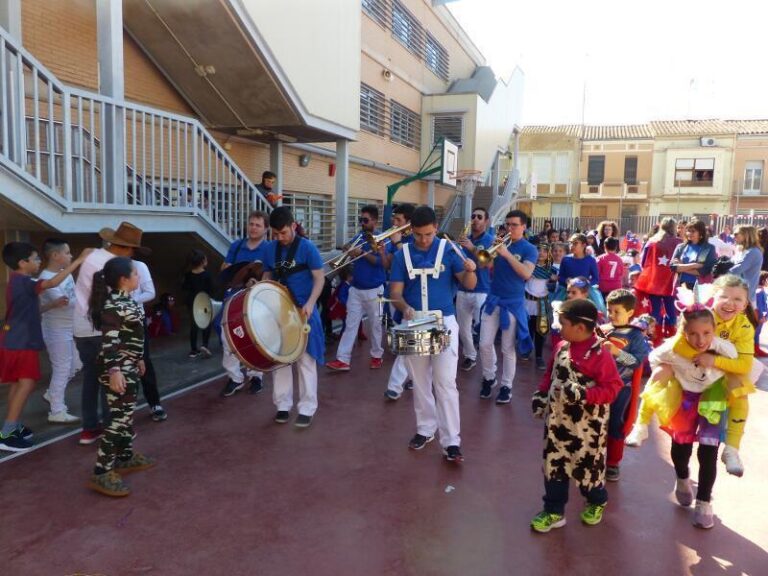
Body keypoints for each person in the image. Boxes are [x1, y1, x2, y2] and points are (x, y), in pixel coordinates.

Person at [625, 303, 739, 529]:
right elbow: (654, 358)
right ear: (683, 332)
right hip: (684, 398)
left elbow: (736, 361)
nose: (700, 340)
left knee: (708, 452)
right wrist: (666, 368)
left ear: (714, 329)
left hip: (711, 399)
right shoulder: (672, 348)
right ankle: (682, 478)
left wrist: (714, 360)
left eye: (706, 333)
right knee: (681, 448)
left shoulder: (722, 348)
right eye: (693, 334)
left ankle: (704, 502)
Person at [389, 206, 477, 462]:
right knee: (419, 382)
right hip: (415, 322)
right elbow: (395, 292)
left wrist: (471, 269)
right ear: (411, 231)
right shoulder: (401, 254)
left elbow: (469, 284)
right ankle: (425, 429)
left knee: (446, 383)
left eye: (428, 234)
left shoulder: (449, 250)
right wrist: (404, 308)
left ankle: (451, 442)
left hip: (444, 321)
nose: (424, 240)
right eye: (418, 235)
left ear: (435, 229)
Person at [529, 299, 623, 533]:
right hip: (557, 422)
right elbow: (550, 374)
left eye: (562, 323)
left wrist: (583, 394)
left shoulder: (601, 354)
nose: (558, 327)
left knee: (587, 468)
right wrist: (541, 395)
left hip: (587, 429)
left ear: (580, 328)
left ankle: (596, 500)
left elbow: (612, 388)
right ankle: (553, 511)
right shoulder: (561, 346)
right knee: (554, 466)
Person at [0, 243, 91, 451]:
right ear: (23, 263)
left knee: (18, 384)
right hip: (21, 342)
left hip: (14, 340)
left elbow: (31, 309)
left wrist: (52, 305)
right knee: (26, 384)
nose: (39, 261)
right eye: (35, 259)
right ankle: (6, 434)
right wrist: (79, 261)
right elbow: (50, 282)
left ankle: (10, 427)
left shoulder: (15, 281)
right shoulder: (25, 281)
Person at [74, 222, 149, 446]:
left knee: (91, 378)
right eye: (133, 251)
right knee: (113, 379)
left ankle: (89, 429)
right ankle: (113, 427)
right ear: (125, 249)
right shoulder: (114, 268)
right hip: (103, 331)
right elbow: (117, 311)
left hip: (81, 327)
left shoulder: (93, 255)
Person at [86, 257, 156, 497]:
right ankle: (101, 471)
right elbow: (109, 342)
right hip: (118, 369)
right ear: (124, 280)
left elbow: (130, 336)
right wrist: (114, 371)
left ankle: (124, 456)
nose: (139, 277)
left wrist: (138, 358)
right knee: (118, 420)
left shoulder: (128, 300)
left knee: (126, 415)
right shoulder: (114, 306)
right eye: (136, 274)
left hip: (129, 365)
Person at [262, 206, 325, 428]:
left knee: (305, 360)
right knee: (280, 359)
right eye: (276, 234)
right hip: (280, 312)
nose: (280, 238)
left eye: (284, 233)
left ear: (293, 226)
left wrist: (310, 304)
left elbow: (319, 279)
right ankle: (282, 405)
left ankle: (307, 407)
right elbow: (267, 276)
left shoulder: (308, 248)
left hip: (303, 311)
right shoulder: (270, 249)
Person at [478, 210, 537, 404]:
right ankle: (489, 377)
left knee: (507, 348)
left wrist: (507, 254)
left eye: (514, 225)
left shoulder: (529, 249)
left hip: (513, 304)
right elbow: (484, 265)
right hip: (493, 300)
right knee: (484, 343)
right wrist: (489, 253)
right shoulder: (500, 244)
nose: (509, 228)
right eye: (507, 224)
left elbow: (526, 274)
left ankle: (506, 386)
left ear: (523, 227)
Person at [327, 205, 387, 372]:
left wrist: (361, 253)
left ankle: (376, 355)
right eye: (361, 219)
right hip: (356, 288)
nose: (362, 222)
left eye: (365, 220)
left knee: (376, 325)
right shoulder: (359, 236)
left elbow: (379, 262)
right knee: (350, 324)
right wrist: (348, 248)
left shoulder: (381, 238)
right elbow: (348, 247)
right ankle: (342, 359)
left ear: (374, 220)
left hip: (375, 289)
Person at [219, 211, 271, 396]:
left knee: (257, 337)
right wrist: (229, 270)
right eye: (251, 224)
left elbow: (271, 273)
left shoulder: (269, 248)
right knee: (228, 337)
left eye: (258, 225)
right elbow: (225, 267)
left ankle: (256, 375)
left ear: (266, 229)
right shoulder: (237, 245)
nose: (253, 228)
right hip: (234, 296)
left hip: (257, 298)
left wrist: (258, 282)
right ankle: (234, 378)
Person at [601, 289, 650, 481]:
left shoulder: (636, 336)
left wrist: (616, 352)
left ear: (630, 313)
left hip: (621, 388)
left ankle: (613, 462)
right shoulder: (602, 330)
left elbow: (638, 362)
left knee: (615, 423)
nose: (611, 315)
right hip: (599, 386)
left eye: (616, 312)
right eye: (609, 310)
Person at [38, 239, 82, 424]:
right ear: (55, 255)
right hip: (55, 330)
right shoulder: (45, 279)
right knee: (62, 368)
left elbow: (73, 297)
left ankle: (52, 393)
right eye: (68, 252)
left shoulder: (66, 273)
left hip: (71, 327)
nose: (71, 256)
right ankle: (57, 410)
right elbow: (64, 304)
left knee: (76, 365)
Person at [383, 203, 416, 401]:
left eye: (398, 221)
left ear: (409, 224)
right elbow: (388, 265)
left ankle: (395, 386)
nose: (394, 224)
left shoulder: (414, 241)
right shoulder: (398, 240)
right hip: (396, 295)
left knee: (406, 344)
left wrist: (396, 244)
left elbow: (411, 260)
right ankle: (412, 378)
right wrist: (381, 250)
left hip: (412, 298)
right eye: (393, 220)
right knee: (408, 344)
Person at [456, 208, 496, 371]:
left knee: (484, 329)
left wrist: (472, 248)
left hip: (482, 290)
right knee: (463, 328)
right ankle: (470, 355)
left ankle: (490, 365)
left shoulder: (490, 240)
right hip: (462, 288)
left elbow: (487, 264)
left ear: (486, 221)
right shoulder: (465, 238)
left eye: (480, 217)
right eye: (473, 216)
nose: (475, 219)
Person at [635, 217, 681, 344]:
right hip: (671, 282)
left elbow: (643, 262)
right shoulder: (679, 242)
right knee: (671, 309)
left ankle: (655, 337)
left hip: (653, 282)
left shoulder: (652, 241)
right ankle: (671, 337)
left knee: (655, 310)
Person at [131, 256, 167, 422]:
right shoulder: (106, 264)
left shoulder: (139, 266)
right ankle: (124, 411)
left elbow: (150, 292)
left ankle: (154, 403)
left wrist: (129, 301)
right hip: (115, 322)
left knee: (144, 361)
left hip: (136, 322)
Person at [525, 243, 554, 371]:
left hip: (542, 302)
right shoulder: (528, 266)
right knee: (528, 327)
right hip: (527, 301)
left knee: (541, 330)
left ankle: (539, 356)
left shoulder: (551, 269)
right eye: (539, 250)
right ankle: (526, 349)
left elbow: (555, 279)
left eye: (544, 250)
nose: (541, 253)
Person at [182, 250, 214, 358]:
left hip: (192, 302)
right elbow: (211, 289)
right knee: (206, 323)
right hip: (204, 301)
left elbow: (184, 288)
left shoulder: (188, 275)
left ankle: (193, 350)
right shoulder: (207, 274)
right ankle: (204, 345)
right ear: (203, 261)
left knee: (194, 325)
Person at [670, 220, 716, 290]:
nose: (689, 233)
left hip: (699, 287)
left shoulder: (707, 248)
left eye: (693, 231)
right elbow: (673, 267)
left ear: (700, 233)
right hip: (681, 285)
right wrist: (694, 265)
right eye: (688, 231)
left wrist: (681, 267)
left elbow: (703, 271)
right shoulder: (681, 247)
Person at [729, 225, 763, 305]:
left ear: (746, 235)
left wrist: (718, 272)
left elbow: (736, 270)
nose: (734, 236)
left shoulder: (753, 252)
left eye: (737, 234)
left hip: (746, 298)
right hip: (738, 294)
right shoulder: (742, 250)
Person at [756, 271, 768, 357]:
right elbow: (760, 306)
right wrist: (763, 316)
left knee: (756, 333)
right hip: (759, 316)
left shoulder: (759, 290)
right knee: (756, 333)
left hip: (759, 316)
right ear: (763, 281)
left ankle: (755, 348)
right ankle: (756, 349)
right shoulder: (760, 292)